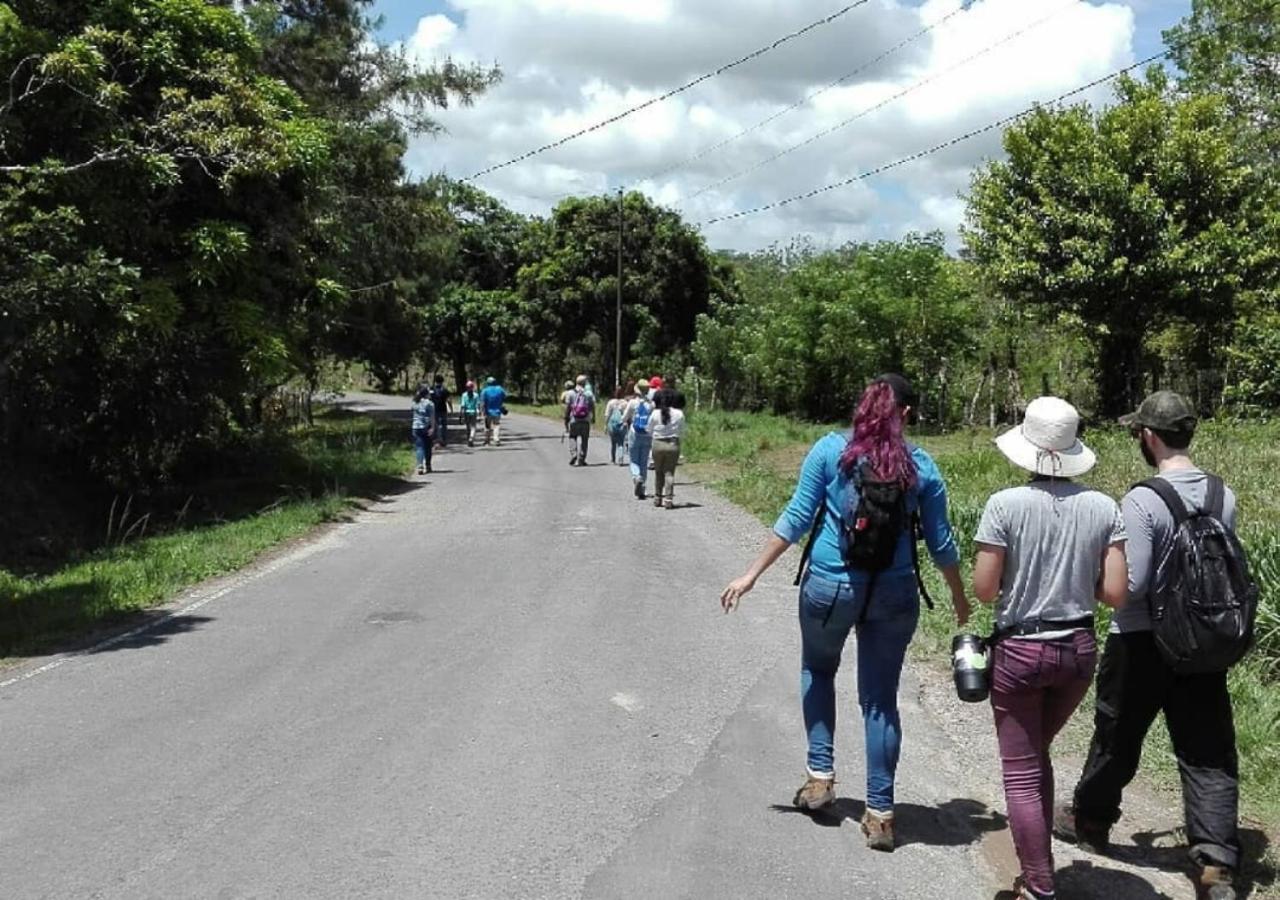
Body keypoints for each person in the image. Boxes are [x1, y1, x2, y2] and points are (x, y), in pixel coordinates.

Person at [719, 375, 970, 852]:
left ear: (863, 408)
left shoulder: (830, 451)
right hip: (894, 594)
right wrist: (958, 595)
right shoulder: (922, 466)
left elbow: (796, 517)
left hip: (829, 587)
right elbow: (940, 543)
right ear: (908, 415)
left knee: (818, 668)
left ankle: (820, 778)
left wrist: (751, 574)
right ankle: (880, 815)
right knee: (879, 700)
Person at [1058, 392, 1243, 900]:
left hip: (1141, 640)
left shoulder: (1144, 499)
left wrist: (1095, 583)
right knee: (1207, 748)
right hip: (1204, 641)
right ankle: (1216, 860)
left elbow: (1132, 583)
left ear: (1149, 436)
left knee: (1117, 737)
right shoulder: (1221, 493)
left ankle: (1090, 820)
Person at [973, 396, 1128, 900]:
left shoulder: (1005, 504)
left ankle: (1039, 884)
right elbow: (1114, 594)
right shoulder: (1105, 507)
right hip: (1078, 648)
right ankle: (1036, 870)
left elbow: (985, 589)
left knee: (1020, 773)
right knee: (1037, 754)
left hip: (1020, 649)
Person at [649, 388, 685, 509]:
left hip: (657, 443)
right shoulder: (679, 414)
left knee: (658, 472)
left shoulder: (655, 413)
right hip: (672, 444)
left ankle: (657, 497)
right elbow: (682, 431)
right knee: (669, 472)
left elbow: (648, 429)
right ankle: (668, 499)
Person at [623, 379, 654, 499]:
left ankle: (637, 477)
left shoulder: (632, 403)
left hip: (634, 433)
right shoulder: (651, 404)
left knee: (634, 460)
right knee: (644, 461)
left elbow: (625, 417)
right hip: (647, 434)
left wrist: (623, 422)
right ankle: (643, 487)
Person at [565, 375, 595, 466]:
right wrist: (593, 418)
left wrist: (566, 419)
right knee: (584, 439)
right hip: (585, 420)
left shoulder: (570, 393)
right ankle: (581, 458)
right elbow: (592, 407)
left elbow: (568, 407)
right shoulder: (588, 394)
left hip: (574, 419)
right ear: (585, 383)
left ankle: (574, 454)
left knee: (572, 437)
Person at [410, 384, 436, 475]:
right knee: (428, 447)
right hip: (426, 427)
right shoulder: (430, 403)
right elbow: (432, 417)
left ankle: (420, 465)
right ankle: (428, 465)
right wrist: (433, 427)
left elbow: (412, 411)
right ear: (426, 394)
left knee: (419, 447)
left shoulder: (414, 402)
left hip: (416, 427)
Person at [604, 386, 629, 465]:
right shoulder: (625, 403)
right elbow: (628, 415)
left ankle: (613, 459)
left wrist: (605, 425)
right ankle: (621, 459)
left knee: (613, 443)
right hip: (622, 424)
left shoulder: (611, 402)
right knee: (621, 443)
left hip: (612, 425)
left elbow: (607, 415)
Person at [480, 376, 507, 446]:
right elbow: (504, 396)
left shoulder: (485, 391)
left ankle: (487, 441)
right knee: (496, 425)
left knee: (487, 426)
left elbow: (482, 402)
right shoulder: (500, 389)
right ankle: (496, 438)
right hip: (497, 411)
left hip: (488, 412)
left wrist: (482, 411)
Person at [429, 375, 451, 448]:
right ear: (442, 382)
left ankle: (436, 441)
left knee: (435, 425)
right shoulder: (444, 390)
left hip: (433, 410)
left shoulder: (431, 389)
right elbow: (448, 400)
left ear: (435, 381)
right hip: (443, 409)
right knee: (444, 425)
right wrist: (451, 408)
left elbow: (428, 399)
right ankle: (443, 441)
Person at [459, 380, 481, 447]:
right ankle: (471, 438)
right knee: (473, 427)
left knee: (468, 427)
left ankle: (469, 440)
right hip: (473, 412)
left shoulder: (464, 395)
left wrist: (461, 415)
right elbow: (477, 405)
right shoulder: (476, 395)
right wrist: (479, 413)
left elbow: (462, 405)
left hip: (466, 412)